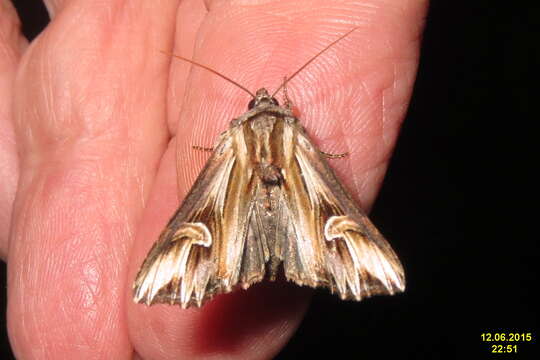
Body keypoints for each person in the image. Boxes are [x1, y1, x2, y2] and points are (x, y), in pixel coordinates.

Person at [0, 0, 428, 358]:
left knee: (195, 230)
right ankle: (309, 254)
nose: (264, 101)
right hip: (299, 197)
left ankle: (235, 259)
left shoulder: (234, 138)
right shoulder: (294, 134)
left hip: (236, 203)